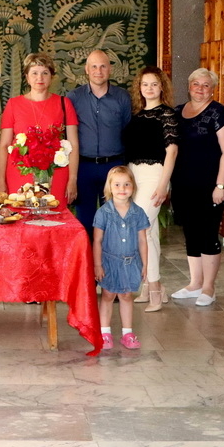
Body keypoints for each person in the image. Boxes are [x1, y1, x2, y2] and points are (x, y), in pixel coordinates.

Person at [170, 68, 224, 307]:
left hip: (209, 185)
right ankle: (195, 283)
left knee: (207, 233)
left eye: (206, 85)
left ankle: (209, 287)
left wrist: (220, 185)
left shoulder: (219, 113)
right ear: (189, 86)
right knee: (191, 232)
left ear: (213, 89)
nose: (200, 88)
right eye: (196, 84)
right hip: (183, 183)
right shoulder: (177, 111)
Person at [123, 66, 178, 312]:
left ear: (162, 87)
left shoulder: (166, 114)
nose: (149, 88)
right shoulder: (136, 114)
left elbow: (172, 151)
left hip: (155, 176)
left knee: (141, 231)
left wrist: (163, 184)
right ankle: (150, 286)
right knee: (150, 233)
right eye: (145, 84)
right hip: (134, 177)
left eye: (154, 84)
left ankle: (154, 289)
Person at [0, 53, 79, 208]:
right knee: (21, 215)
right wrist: (1, 180)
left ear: (52, 77)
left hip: (55, 174)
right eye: (34, 73)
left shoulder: (64, 103)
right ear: (27, 77)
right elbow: (4, 145)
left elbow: (73, 144)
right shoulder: (13, 104)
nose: (39, 78)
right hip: (20, 173)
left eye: (45, 73)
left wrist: (72, 179)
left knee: (53, 215)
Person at [68, 50, 132, 229]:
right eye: (94, 66)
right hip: (84, 167)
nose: (98, 71)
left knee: (114, 221)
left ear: (110, 69)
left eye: (103, 66)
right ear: (86, 69)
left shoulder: (123, 97)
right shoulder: (74, 98)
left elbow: (127, 131)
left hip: (113, 167)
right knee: (85, 221)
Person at [93, 166, 149, 350]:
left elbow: (142, 240)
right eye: (117, 184)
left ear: (133, 187)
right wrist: (97, 265)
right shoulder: (103, 213)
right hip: (109, 262)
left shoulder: (138, 213)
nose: (122, 189)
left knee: (126, 295)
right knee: (108, 295)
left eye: (126, 184)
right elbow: (97, 241)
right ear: (109, 187)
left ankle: (127, 333)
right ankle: (104, 332)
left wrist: (144, 264)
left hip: (131, 262)